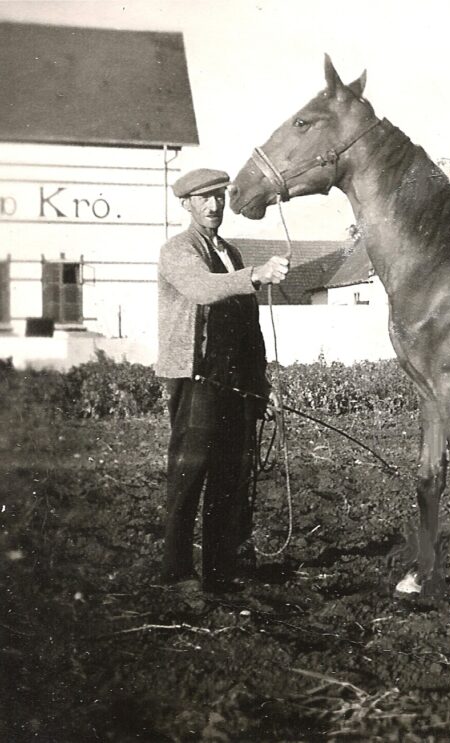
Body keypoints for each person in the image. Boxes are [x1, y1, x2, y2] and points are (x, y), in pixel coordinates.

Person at [155, 168, 289, 592]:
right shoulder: (178, 250)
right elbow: (202, 289)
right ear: (187, 205)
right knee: (189, 476)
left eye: (218, 197)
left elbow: (250, 327)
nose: (213, 206)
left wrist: (263, 385)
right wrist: (254, 276)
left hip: (237, 384)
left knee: (230, 479)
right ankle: (177, 574)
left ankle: (220, 571)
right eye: (203, 199)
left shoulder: (230, 251)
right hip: (196, 378)